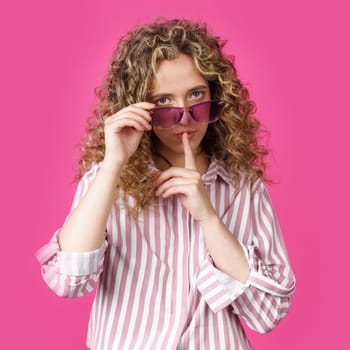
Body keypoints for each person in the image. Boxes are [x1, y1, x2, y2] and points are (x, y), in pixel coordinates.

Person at [36, 18, 296, 349]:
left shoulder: (243, 187)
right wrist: (114, 163)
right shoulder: (108, 183)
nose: (184, 118)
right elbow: (69, 280)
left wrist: (209, 218)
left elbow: (268, 313)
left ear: (216, 96)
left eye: (196, 96)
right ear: (138, 107)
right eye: (163, 102)